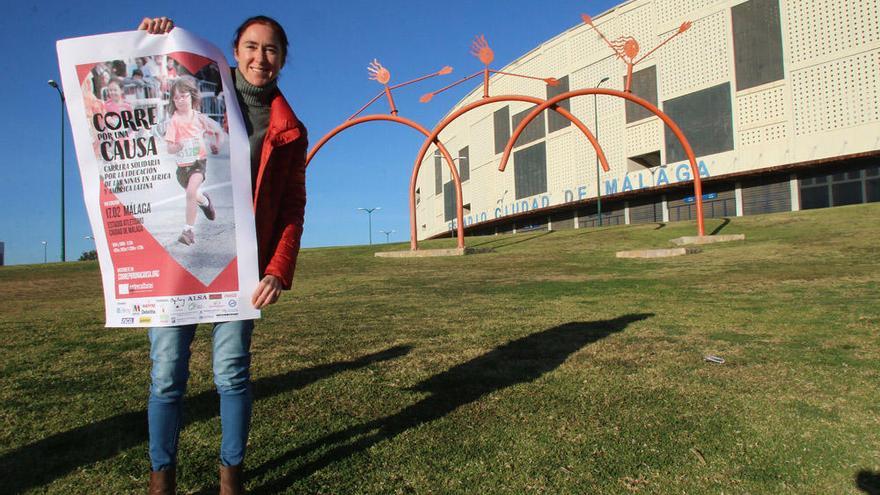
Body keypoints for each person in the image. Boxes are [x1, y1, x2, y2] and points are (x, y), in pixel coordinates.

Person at [138, 15, 308, 495]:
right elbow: (152, 97)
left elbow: (293, 206)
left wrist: (277, 269)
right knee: (167, 371)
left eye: (271, 50)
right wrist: (153, 41)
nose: (260, 58)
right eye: (251, 47)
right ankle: (161, 478)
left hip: (243, 264)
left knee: (231, 371)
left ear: (282, 58)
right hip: (180, 258)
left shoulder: (290, 127)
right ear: (235, 51)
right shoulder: (201, 88)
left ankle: (230, 477)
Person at [163, 75, 224, 245]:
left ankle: (188, 231)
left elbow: (218, 131)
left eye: (183, 96)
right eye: (176, 97)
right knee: (193, 195)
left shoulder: (199, 118)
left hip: (198, 163)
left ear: (192, 96)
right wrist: (178, 146)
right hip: (182, 167)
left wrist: (216, 146)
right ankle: (205, 202)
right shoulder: (173, 122)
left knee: (190, 192)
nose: (180, 100)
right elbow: (169, 148)